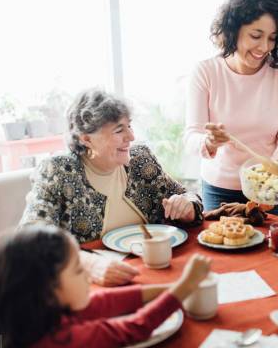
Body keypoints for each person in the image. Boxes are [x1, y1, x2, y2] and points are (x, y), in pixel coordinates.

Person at [21, 89, 204, 286]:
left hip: (158, 270)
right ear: (86, 139)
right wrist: (88, 264)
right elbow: (32, 238)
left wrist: (188, 207)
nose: (131, 136)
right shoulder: (58, 170)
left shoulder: (141, 159)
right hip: (92, 281)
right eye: (119, 130)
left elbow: (188, 196)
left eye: (129, 126)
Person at [0, 225, 211, 348]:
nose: (88, 275)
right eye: (78, 270)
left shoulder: (21, 324)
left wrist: (171, 288)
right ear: (47, 289)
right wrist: (183, 288)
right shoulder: (61, 342)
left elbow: (102, 303)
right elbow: (133, 328)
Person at [184, 0, 278, 219]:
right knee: (224, 251)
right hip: (220, 191)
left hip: (274, 190)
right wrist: (208, 142)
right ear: (233, 31)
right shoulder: (206, 72)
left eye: (272, 38)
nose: (264, 47)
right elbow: (191, 136)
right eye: (256, 36)